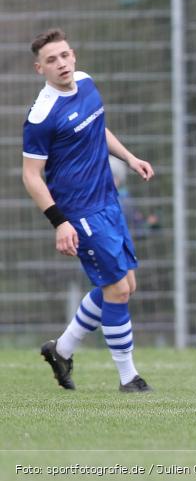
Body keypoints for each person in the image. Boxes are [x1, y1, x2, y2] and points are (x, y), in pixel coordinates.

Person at [22, 28, 154, 393]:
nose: (61, 63)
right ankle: (129, 378)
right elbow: (31, 176)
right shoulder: (41, 115)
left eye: (64, 55)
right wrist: (59, 223)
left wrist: (129, 157)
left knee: (126, 283)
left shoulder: (87, 83)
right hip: (79, 211)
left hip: (107, 201)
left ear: (73, 55)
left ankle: (61, 350)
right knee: (117, 290)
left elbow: (98, 129)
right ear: (39, 69)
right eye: (51, 60)